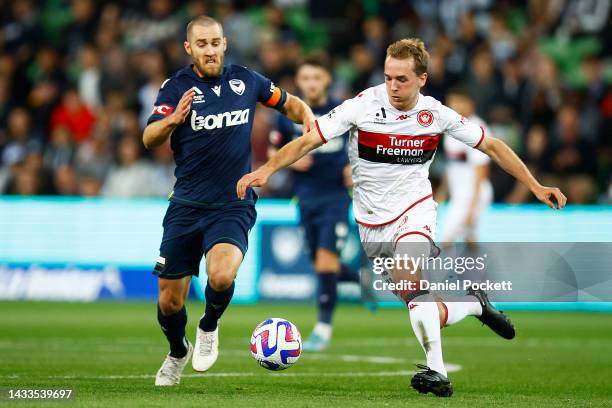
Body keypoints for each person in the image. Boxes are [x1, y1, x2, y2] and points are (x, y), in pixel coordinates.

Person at [237, 38, 566, 397]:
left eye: (402, 79)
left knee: (410, 275)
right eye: (389, 77)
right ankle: (475, 304)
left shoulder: (435, 114)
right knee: (417, 301)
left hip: (415, 211)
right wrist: (266, 170)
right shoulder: (361, 106)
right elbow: (307, 141)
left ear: (422, 78)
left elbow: (492, 146)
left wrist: (535, 185)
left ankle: (437, 371)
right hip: (370, 221)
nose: (393, 86)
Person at [143, 15, 314, 386]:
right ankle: (176, 352)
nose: (209, 49)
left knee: (221, 275)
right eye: (201, 44)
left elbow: (288, 103)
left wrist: (308, 118)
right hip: (186, 205)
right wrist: (172, 121)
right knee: (170, 301)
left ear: (224, 43)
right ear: (189, 48)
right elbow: (149, 138)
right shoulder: (175, 88)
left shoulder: (247, 80)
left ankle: (208, 325)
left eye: (215, 42)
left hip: (233, 202)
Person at [268, 55, 358, 352]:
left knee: (324, 263)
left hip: (334, 198)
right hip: (304, 198)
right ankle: (360, 278)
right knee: (320, 263)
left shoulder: (343, 111)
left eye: (316, 78)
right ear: (298, 82)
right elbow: (274, 147)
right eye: (305, 78)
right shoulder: (288, 115)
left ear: (327, 80)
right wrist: (292, 162)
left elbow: (362, 143)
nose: (311, 84)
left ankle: (323, 328)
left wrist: (354, 168)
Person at [440, 88, 493, 246]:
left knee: (445, 239)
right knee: (470, 241)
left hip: (474, 195)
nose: (454, 106)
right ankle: (476, 270)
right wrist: (443, 192)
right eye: (451, 102)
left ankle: (436, 271)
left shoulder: (478, 130)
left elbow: (482, 172)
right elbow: (452, 167)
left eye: (458, 102)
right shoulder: (451, 129)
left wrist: (472, 208)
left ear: (470, 103)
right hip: (459, 195)